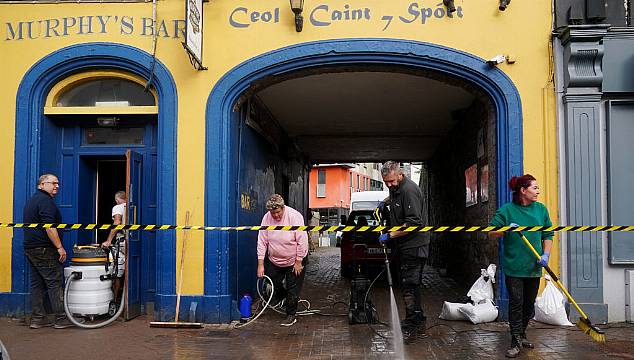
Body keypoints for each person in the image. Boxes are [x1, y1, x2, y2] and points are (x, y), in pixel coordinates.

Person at [488, 174, 553, 358]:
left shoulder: (541, 210)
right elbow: (492, 232)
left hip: (533, 266)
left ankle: (522, 333)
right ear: (523, 191)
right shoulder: (507, 210)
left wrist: (546, 254)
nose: (538, 191)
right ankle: (515, 340)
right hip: (514, 267)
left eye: (538, 187)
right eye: (534, 188)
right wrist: (507, 229)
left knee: (529, 305)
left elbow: (548, 234)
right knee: (516, 303)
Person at [378, 161, 429, 343]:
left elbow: (415, 223)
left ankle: (412, 326)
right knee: (408, 285)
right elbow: (395, 198)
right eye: (386, 182)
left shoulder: (409, 190)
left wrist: (390, 235)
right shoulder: (397, 189)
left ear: (400, 174)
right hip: (405, 246)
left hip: (414, 247)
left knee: (410, 287)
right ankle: (418, 321)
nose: (390, 185)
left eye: (391, 181)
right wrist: (384, 203)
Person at [23, 174, 73, 329]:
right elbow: (49, 226)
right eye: (53, 183)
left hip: (31, 248)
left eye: (58, 183)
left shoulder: (33, 200)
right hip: (44, 248)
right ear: (41, 184)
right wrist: (59, 247)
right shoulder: (46, 202)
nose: (57, 186)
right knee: (54, 282)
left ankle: (38, 318)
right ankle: (61, 318)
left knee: (37, 284)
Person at [257, 194, 309, 327]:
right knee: (272, 284)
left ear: (282, 207)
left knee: (293, 288)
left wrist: (299, 262)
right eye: (273, 213)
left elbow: (302, 241)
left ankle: (291, 314)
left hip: (294, 259)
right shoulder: (266, 218)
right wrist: (261, 264)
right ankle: (284, 298)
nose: (276, 216)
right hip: (275, 260)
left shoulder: (294, 216)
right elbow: (262, 241)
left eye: (278, 212)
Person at [102, 191, 127, 304]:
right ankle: (128, 301)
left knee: (117, 273)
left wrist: (108, 240)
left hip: (122, 243)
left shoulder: (118, 207)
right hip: (133, 241)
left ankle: (115, 300)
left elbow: (117, 222)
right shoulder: (132, 206)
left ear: (117, 200)